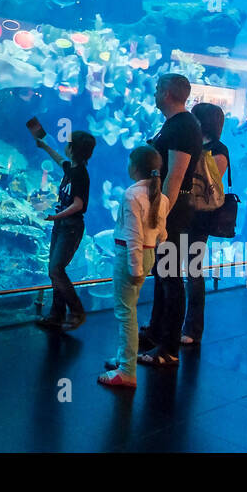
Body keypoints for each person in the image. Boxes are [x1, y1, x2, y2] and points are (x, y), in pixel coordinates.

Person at [138, 73, 203, 368]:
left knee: (170, 276)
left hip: (174, 213)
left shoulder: (183, 126)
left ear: (166, 93)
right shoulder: (176, 124)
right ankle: (156, 332)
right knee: (162, 274)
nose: (153, 93)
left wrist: (159, 216)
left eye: (156, 89)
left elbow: (175, 178)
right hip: (170, 210)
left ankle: (167, 347)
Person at [99, 145, 168, 389]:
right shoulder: (161, 196)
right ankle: (123, 358)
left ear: (135, 167)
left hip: (130, 257)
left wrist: (135, 268)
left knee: (125, 313)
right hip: (147, 255)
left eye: (129, 162)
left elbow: (133, 236)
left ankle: (127, 370)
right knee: (129, 310)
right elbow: (161, 233)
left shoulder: (132, 195)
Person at [35, 130, 95, 330]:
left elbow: (78, 204)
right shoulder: (72, 168)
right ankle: (56, 314)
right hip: (62, 226)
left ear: (73, 149)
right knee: (54, 270)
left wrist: (55, 216)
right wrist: (44, 146)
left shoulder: (80, 175)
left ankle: (77, 311)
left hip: (71, 227)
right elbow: (59, 159)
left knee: (56, 269)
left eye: (68, 143)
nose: (65, 146)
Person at [183, 102, 228, 347]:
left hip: (200, 219)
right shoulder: (196, 145)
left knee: (193, 272)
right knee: (174, 270)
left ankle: (193, 329)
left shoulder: (218, 150)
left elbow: (209, 184)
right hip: (183, 214)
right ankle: (175, 323)